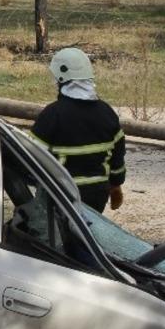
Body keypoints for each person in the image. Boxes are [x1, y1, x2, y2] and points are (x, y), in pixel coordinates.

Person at [30, 47, 126, 213]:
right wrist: (116, 184)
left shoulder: (52, 115)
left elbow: (31, 155)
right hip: (98, 195)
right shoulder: (107, 113)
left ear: (61, 78)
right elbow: (117, 156)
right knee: (86, 232)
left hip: (61, 195)